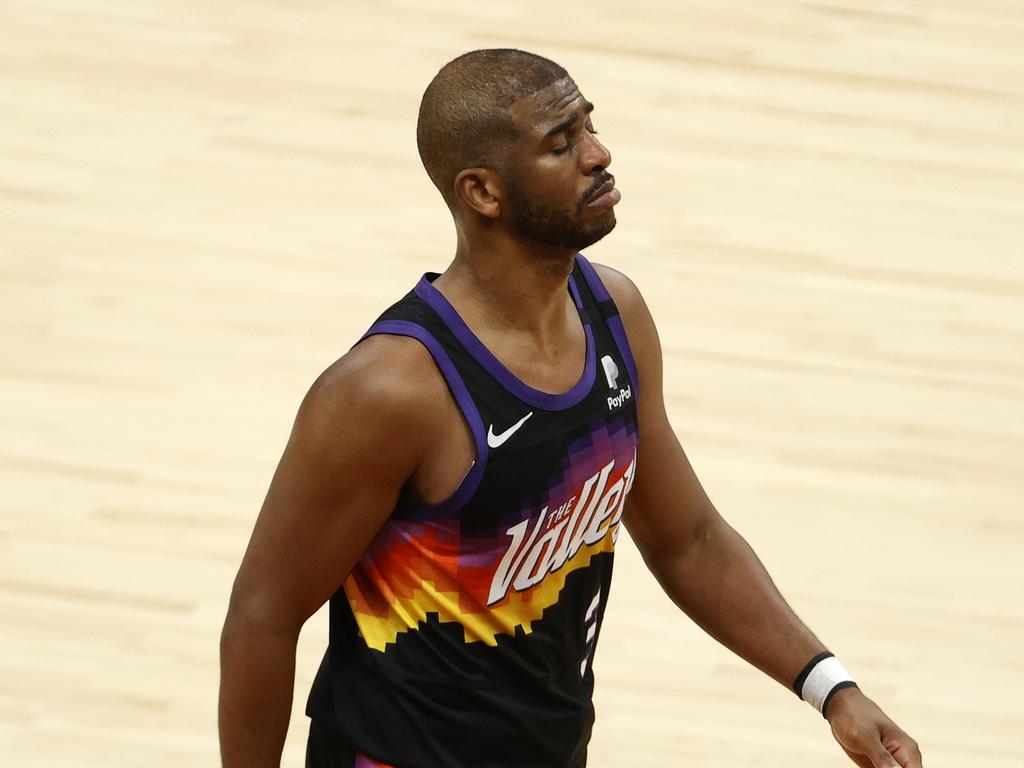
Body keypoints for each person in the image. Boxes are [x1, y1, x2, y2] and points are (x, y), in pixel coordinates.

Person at [218, 48, 923, 768]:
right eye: (563, 143)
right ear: (483, 192)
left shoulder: (614, 314)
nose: (599, 155)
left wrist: (832, 689)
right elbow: (261, 618)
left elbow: (690, 540)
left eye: (590, 127)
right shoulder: (391, 390)